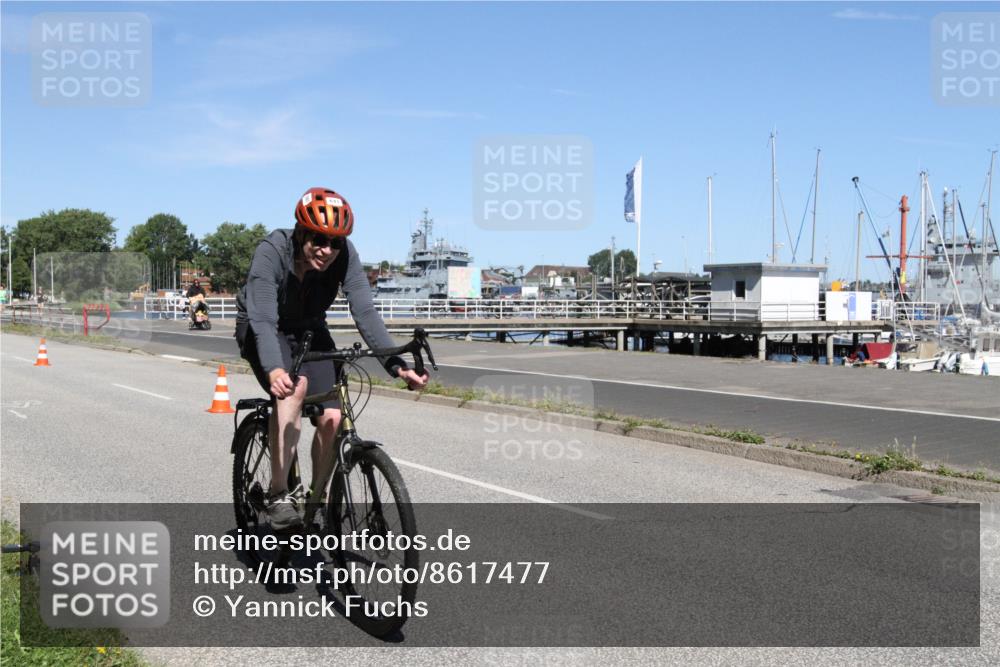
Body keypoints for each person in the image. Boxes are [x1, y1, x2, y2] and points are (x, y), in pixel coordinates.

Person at [235, 187, 429, 530]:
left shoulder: (345, 255)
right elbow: (263, 318)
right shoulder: (272, 251)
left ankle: (316, 498)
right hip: (263, 327)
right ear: (301, 233)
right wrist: (275, 368)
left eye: (335, 242)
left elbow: (365, 311)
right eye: (319, 240)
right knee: (293, 388)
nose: (327, 250)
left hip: (310, 328)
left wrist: (397, 366)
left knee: (332, 416)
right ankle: (278, 494)